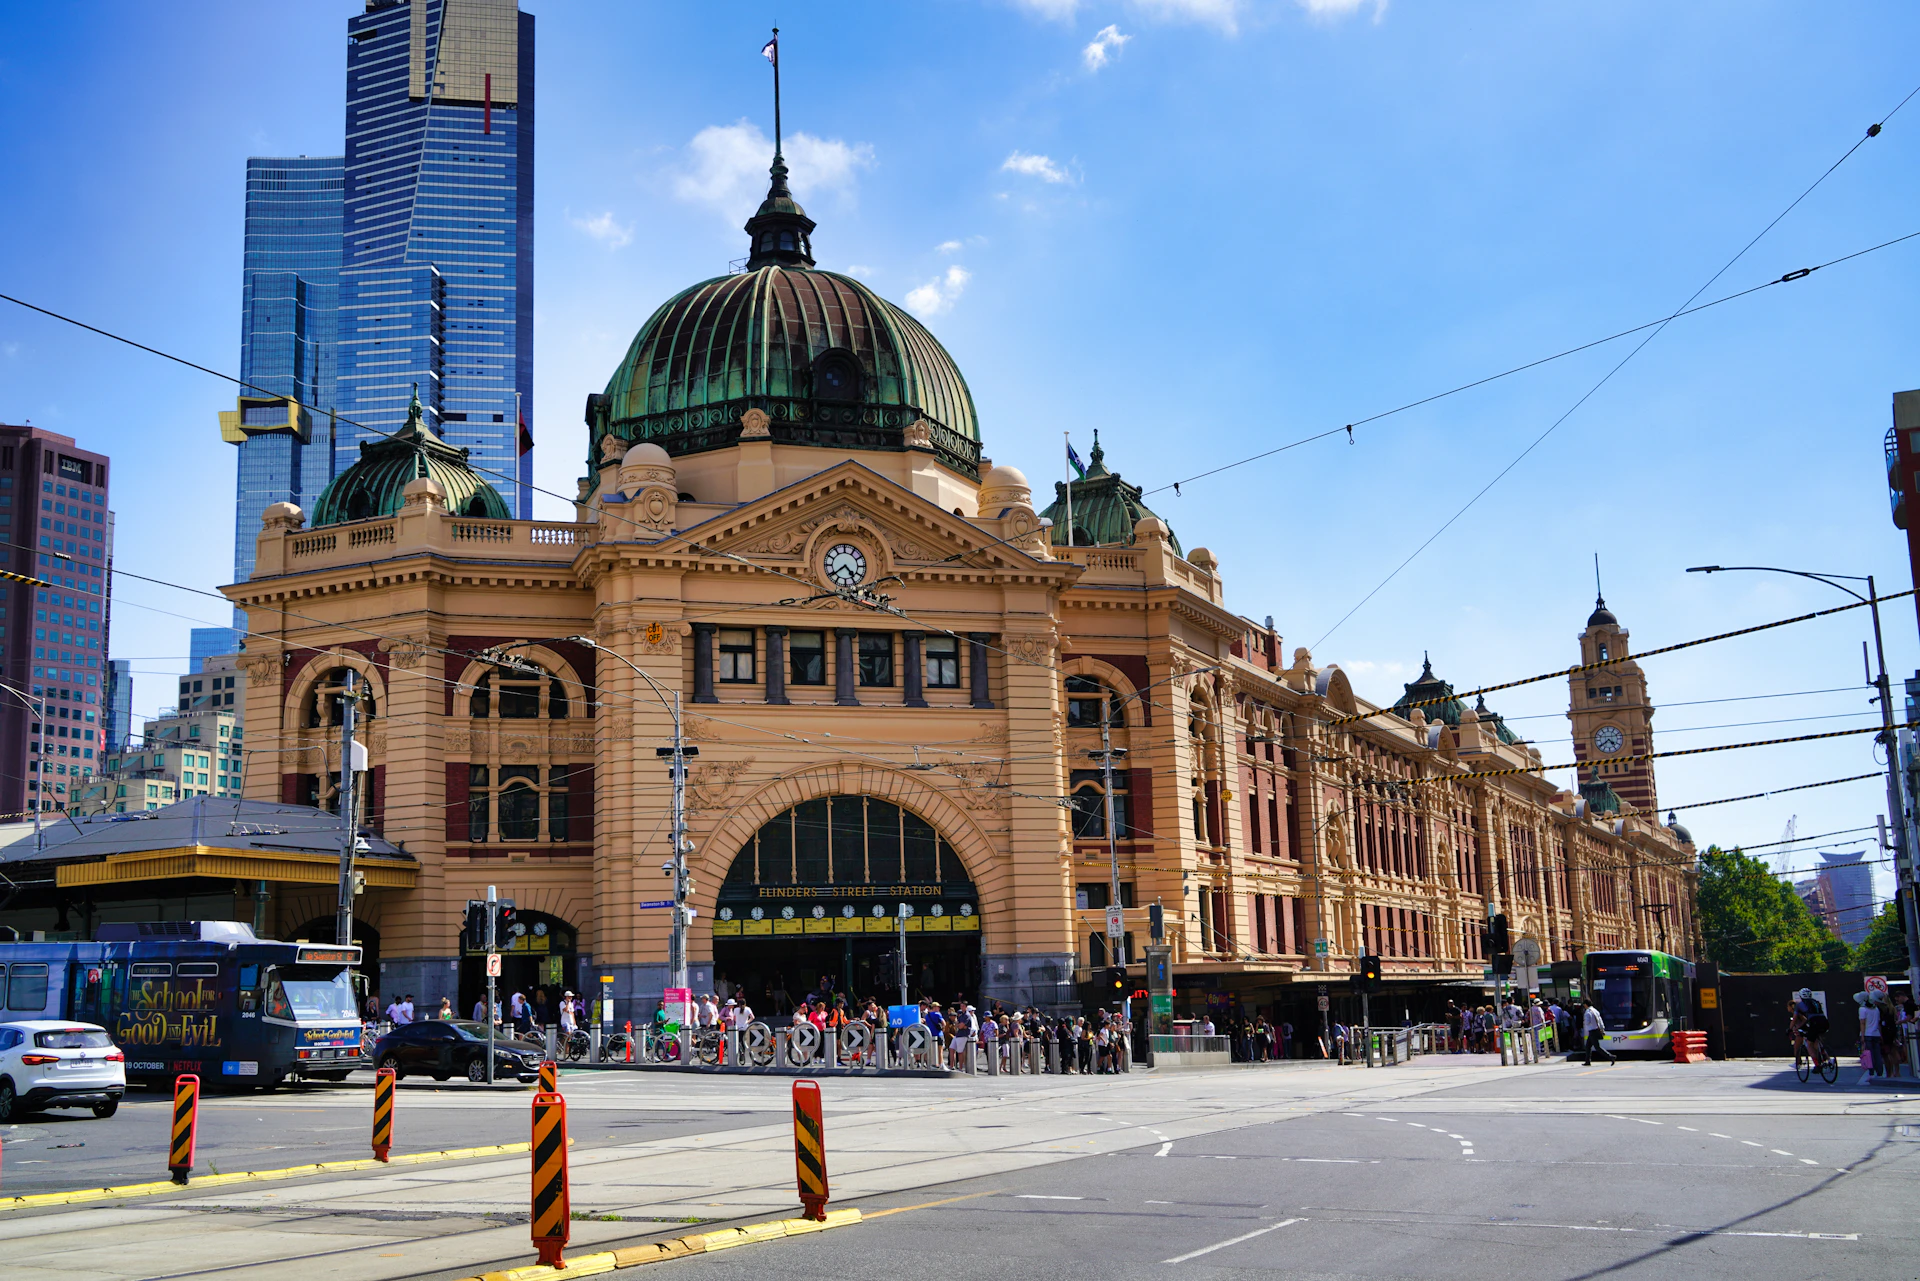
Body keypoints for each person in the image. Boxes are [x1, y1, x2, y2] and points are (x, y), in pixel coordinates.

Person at [1582, 1000, 1615, 1066]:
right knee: (1588, 1046)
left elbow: (1587, 1022)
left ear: (1585, 1004)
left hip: (1592, 1031)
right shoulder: (1595, 1010)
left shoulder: (1588, 1012)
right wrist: (1602, 1029)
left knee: (1597, 1047)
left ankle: (1611, 1057)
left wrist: (1584, 1023)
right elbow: (1600, 1021)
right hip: (1596, 1030)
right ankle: (1587, 1061)